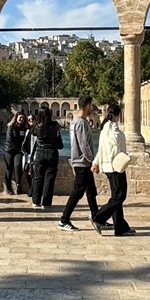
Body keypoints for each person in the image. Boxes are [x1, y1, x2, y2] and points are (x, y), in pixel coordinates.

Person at [91, 103, 134, 236]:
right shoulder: (110, 129)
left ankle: (120, 226)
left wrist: (96, 162)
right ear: (117, 115)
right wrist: (115, 125)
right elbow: (114, 142)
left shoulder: (104, 129)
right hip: (115, 167)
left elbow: (100, 149)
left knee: (117, 197)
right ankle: (98, 218)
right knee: (120, 196)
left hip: (112, 166)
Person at [58, 96, 101, 231]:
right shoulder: (81, 123)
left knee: (91, 191)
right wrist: (92, 160)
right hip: (82, 162)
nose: (91, 108)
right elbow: (83, 145)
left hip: (82, 162)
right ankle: (64, 219)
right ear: (87, 106)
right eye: (91, 106)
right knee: (78, 192)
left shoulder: (75, 121)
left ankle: (97, 217)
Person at [29, 107, 62, 209]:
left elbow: (32, 135)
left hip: (40, 153)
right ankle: (46, 203)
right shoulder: (55, 126)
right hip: (52, 153)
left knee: (38, 177)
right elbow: (59, 142)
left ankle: (36, 201)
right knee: (49, 178)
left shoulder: (36, 127)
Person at [3, 111, 29, 195]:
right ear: (16, 118)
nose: (21, 119)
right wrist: (18, 148)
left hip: (18, 151)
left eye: (23, 118)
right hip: (9, 150)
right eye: (20, 117)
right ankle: (8, 188)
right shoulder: (10, 127)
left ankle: (18, 185)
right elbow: (9, 139)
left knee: (18, 165)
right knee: (9, 168)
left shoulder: (24, 128)